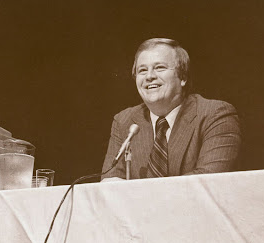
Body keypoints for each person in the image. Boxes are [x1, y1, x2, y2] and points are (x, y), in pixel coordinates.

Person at [101, 38, 241, 181]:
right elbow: (110, 182)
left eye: (159, 68)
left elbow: (207, 180)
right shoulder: (124, 121)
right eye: (142, 70)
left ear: (183, 77)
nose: (149, 76)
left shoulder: (215, 114)